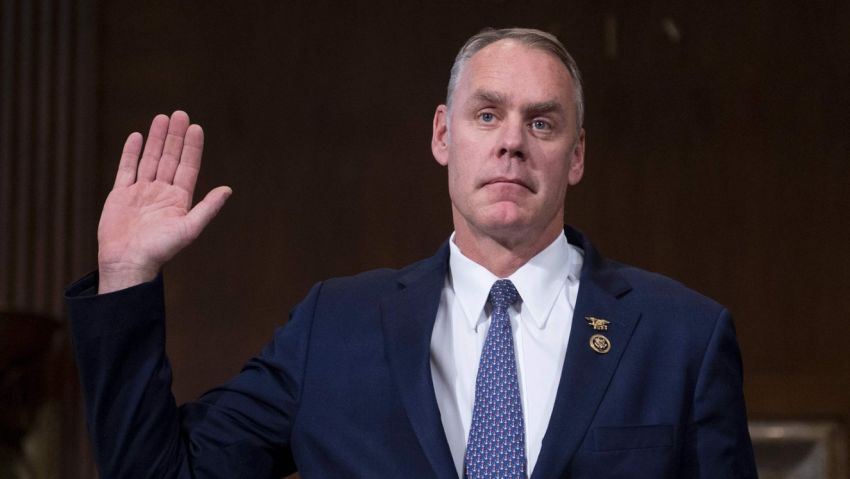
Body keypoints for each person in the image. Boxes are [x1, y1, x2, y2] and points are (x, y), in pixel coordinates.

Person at [66, 28, 757, 478]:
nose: (511, 141)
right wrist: (128, 276)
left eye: (541, 122)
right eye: (486, 115)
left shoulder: (682, 337)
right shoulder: (333, 329)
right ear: (441, 137)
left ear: (575, 157)